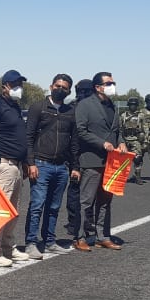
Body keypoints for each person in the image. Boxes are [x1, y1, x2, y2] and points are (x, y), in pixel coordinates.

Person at [0, 70, 33, 266]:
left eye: (20, 84)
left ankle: (8, 247)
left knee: (12, 210)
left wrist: (26, 163)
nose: (18, 88)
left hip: (17, 166)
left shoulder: (15, 107)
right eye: (15, 84)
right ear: (5, 86)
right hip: (2, 164)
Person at [24, 74, 76, 259]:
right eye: (57, 85)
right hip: (41, 164)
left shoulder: (70, 111)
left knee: (54, 207)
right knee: (37, 205)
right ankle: (31, 242)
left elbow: (73, 141)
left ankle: (49, 242)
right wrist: (30, 163)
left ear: (69, 91)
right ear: (51, 86)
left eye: (65, 87)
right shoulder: (39, 107)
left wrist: (74, 166)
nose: (60, 89)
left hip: (61, 167)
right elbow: (28, 136)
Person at [74, 72, 126, 252]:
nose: (112, 85)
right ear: (97, 87)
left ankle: (102, 236)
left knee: (105, 201)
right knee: (86, 201)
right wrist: (101, 143)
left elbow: (116, 130)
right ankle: (80, 236)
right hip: (92, 160)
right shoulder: (85, 105)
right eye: (109, 83)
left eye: (113, 82)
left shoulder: (112, 105)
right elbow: (81, 131)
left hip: (111, 162)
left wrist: (121, 142)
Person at [64, 79, 94, 243]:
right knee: (78, 192)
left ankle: (75, 223)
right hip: (79, 156)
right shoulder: (78, 108)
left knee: (79, 192)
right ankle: (77, 223)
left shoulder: (75, 107)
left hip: (80, 155)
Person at [118, 96, 147, 185]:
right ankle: (121, 177)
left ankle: (137, 177)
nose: (133, 106)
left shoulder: (141, 116)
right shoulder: (123, 116)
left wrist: (145, 141)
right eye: (131, 105)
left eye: (134, 105)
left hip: (136, 140)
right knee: (123, 160)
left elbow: (145, 128)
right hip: (125, 140)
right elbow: (119, 128)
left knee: (137, 158)